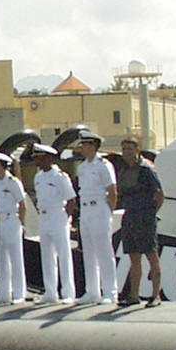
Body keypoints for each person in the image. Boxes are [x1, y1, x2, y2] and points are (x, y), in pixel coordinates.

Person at [115, 136, 165, 306]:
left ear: (137, 150)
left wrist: (151, 213)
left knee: (152, 255)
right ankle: (134, 296)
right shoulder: (123, 171)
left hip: (145, 217)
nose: (126, 153)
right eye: (124, 149)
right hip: (130, 216)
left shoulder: (146, 169)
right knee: (133, 257)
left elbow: (159, 194)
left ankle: (155, 295)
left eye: (130, 149)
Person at [73, 130, 117, 304]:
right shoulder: (82, 167)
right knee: (89, 252)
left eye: (84, 144)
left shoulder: (103, 165)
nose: (82, 148)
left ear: (93, 146)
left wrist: (108, 213)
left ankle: (110, 291)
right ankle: (92, 291)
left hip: (99, 208)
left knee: (104, 252)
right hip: (86, 210)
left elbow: (112, 191)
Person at [30, 143, 76, 303]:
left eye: (38, 157)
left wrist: (66, 218)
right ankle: (50, 292)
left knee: (64, 255)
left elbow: (71, 200)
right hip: (44, 217)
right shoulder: (38, 177)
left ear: (47, 158)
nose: (36, 160)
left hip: (58, 215)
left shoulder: (60, 176)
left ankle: (68, 292)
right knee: (47, 255)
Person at [0, 151, 28, 304]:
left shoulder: (13, 182)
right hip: (0, 221)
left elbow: (22, 205)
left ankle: (19, 293)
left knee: (15, 258)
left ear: (0, 165)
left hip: (12, 220)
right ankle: (3, 294)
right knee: (2, 258)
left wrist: (21, 223)